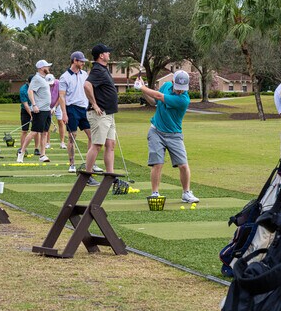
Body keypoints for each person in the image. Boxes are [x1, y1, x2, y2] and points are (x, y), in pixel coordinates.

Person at [134, 71, 199, 203]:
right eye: (178, 88)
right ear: (173, 82)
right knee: (157, 163)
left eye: (183, 89)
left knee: (183, 165)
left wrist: (142, 87)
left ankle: (186, 193)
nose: (180, 91)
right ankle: (155, 193)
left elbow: (158, 95)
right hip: (156, 131)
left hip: (174, 135)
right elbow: (153, 101)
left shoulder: (183, 100)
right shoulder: (166, 86)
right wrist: (143, 90)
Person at [83, 44, 118, 185]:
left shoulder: (103, 69)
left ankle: (110, 176)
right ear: (101, 56)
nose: (109, 54)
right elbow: (87, 85)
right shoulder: (97, 69)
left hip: (109, 114)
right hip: (100, 114)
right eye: (107, 52)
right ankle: (87, 175)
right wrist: (95, 104)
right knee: (97, 145)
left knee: (110, 144)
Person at [59, 51, 98, 175]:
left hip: (84, 108)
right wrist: (64, 113)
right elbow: (61, 96)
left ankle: (91, 163)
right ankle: (72, 164)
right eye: (81, 61)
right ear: (74, 61)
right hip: (71, 109)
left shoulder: (84, 74)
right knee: (72, 137)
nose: (83, 63)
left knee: (92, 136)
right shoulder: (64, 77)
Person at [17, 60, 52, 163]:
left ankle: (42, 155)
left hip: (46, 110)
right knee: (34, 132)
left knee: (44, 132)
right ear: (41, 68)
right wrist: (34, 105)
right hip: (39, 110)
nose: (48, 68)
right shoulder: (36, 79)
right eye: (46, 66)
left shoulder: (44, 79)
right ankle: (21, 152)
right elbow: (30, 91)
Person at [19, 75, 40, 155]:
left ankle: (36, 148)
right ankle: (22, 149)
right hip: (25, 111)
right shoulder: (23, 90)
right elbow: (26, 105)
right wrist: (31, 115)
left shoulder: (38, 87)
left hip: (37, 110)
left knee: (36, 130)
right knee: (24, 130)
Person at [44, 73, 66, 150]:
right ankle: (47, 143)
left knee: (60, 122)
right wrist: (48, 107)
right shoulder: (44, 84)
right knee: (48, 123)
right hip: (47, 105)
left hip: (58, 104)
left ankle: (62, 142)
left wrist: (54, 107)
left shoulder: (59, 83)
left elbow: (60, 96)